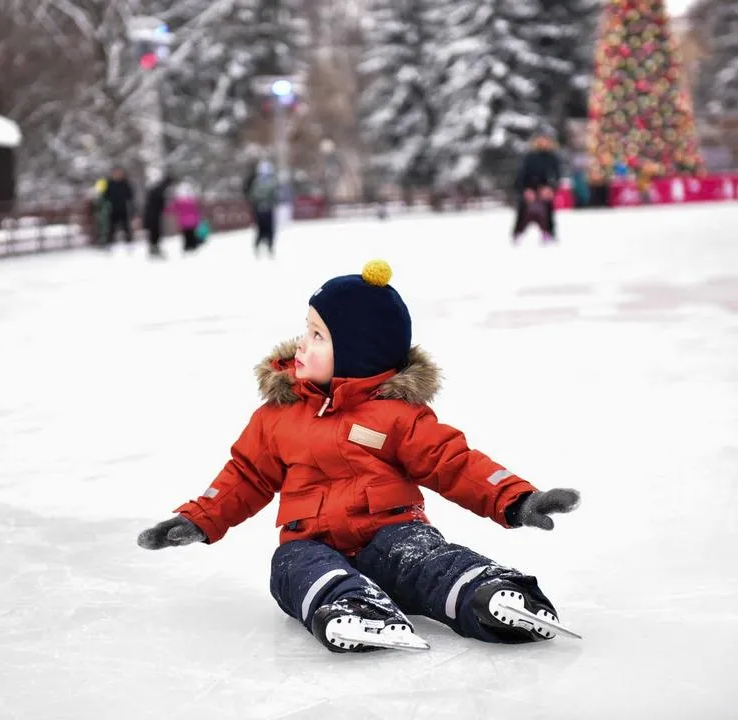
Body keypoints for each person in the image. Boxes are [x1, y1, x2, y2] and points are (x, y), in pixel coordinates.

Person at [138, 260, 581, 653]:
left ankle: (489, 595)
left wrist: (516, 497)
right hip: (309, 542)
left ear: (355, 352)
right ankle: (349, 604)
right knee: (288, 568)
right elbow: (247, 475)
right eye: (305, 329)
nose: (301, 345)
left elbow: (453, 461)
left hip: (391, 534)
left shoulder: (395, 415)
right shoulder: (278, 415)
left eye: (318, 335)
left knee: (427, 559)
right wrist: (200, 518)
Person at [513, 134, 562, 244]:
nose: (543, 142)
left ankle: (549, 233)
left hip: (544, 189)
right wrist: (526, 190)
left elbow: (556, 176)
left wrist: (550, 188)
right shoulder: (529, 157)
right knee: (523, 209)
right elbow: (521, 176)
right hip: (528, 188)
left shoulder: (552, 157)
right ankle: (518, 234)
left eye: (546, 140)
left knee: (547, 207)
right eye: (541, 139)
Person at [247, 160, 279, 257]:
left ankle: (268, 246)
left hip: (266, 208)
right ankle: (261, 246)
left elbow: (275, 195)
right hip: (261, 208)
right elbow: (253, 195)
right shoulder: (258, 182)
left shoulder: (270, 181)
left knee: (267, 229)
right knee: (263, 228)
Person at [143, 173, 176, 257]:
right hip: (152, 214)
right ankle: (153, 249)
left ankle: (155, 248)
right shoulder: (158, 188)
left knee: (156, 232)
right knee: (154, 232)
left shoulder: (159, 188)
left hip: (155, 213)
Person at [168, 180, 203, 254]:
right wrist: (198, 220)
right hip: (192, 221)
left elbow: (172, 209)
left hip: (184, 222)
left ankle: (187, 247)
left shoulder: (179, 202)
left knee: (186, 235)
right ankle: (192, 246)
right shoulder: (192, 201)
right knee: (191, 234)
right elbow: (196, 212)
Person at [103, 167, 135, 245]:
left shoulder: (125, 183)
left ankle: (129, 243)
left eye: (119, 173)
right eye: (116, 173)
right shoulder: (109, 183)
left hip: (123, 209)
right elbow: (105, 196)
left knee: (126, 227)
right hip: (113, 209)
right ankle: (109, 244)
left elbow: (130, 195)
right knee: (111, 228)